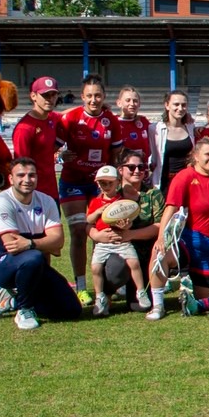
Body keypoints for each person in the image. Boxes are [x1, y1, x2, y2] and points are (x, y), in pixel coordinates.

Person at [150, 136, 209, 319]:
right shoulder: (185, 177)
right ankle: (158, 305)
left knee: (206, 300)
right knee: (159, 257)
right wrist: (161, 238)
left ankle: (190, 286)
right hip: (189, 240)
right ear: (196, 156)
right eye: (208, 155)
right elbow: (171, 209)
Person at [0, 157, 81, 329]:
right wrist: (44, 243)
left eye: (32, 175)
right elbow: (12, 245)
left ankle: (13, 300)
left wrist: (30, 243)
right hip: (4, 265)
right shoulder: (1, 202)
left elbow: (58, 241)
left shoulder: (47, 201)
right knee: (33, 257)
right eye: (21, 175)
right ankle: (24, 309)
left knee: (71, 310)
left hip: (36, 265)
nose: (27, 180)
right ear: (11, 179)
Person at [56, 75, 123, 305]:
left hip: (99, 185)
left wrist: (113, 182)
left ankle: (102, 285)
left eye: (98, 95)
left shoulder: (111, 120)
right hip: (73, 181)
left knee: (101, 234)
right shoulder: (70, 118)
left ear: (103, 96)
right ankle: (81, 287)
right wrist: (60, 155)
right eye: (89, 96)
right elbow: (52, 148)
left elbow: (115, 155)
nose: (94, 100)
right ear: (82, 96)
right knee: (77, 232)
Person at [94, 149, 165, 312]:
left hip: (145, 255)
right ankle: (107, 293)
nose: (138, 171)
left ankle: (136, 290)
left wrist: (130, 234)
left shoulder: (153, 194)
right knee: (115, 270)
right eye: (131, 167)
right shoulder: (111, 194)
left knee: (137, 307)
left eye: (142, 167)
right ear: (120, 170)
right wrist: (95, 234)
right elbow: (91, 222)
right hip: (117, 251)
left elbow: (160, 225)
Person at [85, 164, 150, 316]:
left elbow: (129, 221)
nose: (106, 186)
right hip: (102, 243)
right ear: (97, 183)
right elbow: (88, 220)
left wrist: (126, 225)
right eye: (102, 183)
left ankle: (141, 292)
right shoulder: (95, 201)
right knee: (95, 267)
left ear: (117, 182)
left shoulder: (122, 201)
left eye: (110, 183)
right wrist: (99, 212)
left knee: (134, 262)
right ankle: (100, 297)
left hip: (121, 241)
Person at [11, 75, 64, 202]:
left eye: (53, 95)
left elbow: (67, 114)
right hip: (34, 194)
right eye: (45, 95)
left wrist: (90, 109)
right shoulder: (24, 129)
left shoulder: (51, 118)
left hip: (51, 192)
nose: (50, 99)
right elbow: (21, 165)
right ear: (33, 96)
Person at [149, 89, 194, 195]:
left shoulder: (191, 127)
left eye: (184, 105)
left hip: (187, 181)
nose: (180, 108)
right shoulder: (155, 129)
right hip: (164, 182)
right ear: (167, 105)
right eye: (176, 104)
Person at [113, 86, 152, 166]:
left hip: (142, 172)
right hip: (122, 173)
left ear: (139, 104)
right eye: (128, 100)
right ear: (119, 103)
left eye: (135, 101)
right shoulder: (113, 122)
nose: (132, 104)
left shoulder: (144, 122)